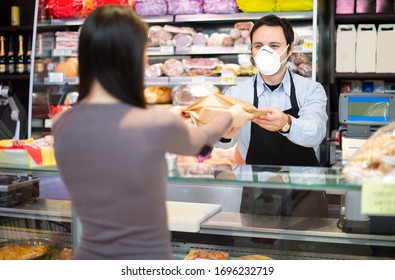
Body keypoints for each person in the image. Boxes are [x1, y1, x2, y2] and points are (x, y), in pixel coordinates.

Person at [52, 5, 252, 260]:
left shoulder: (62, 123)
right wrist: (229, 116)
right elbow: (202, 144)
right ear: (132, 58)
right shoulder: (152, 124)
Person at [216, 14, 328, 217]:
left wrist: (286, 123)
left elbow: (316, 133)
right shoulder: (237, 94)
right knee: (256, 248)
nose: (265, 51)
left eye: (274, 45)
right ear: (251, 49)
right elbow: (222, 144)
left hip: (304, 191)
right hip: (256, 191)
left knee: (309, 248)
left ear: (290, 49)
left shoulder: (311, 90)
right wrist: (223, 133)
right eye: (258, 46)